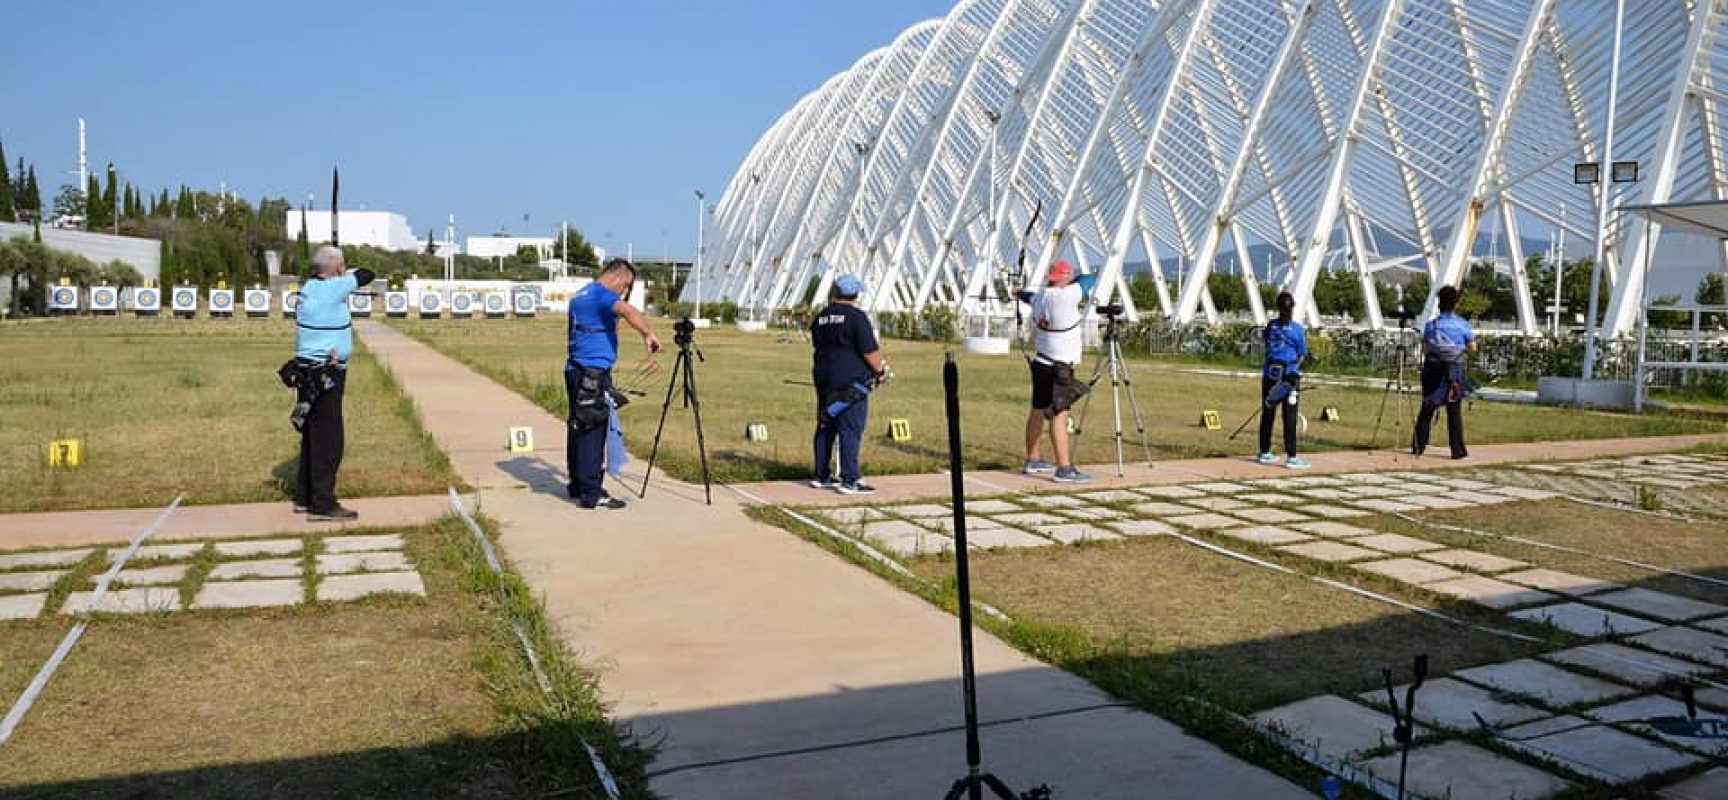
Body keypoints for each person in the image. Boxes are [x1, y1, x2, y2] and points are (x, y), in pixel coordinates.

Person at [567, 258, 661, 509]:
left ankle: (578, 484)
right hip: (593, 374)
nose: (625, 292)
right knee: (592, 432)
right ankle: (592, 492)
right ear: (617, 278)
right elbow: (628, 311)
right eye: (626, 286)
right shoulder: (601, 295)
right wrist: (648, 334)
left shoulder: (581, 294)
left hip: (576, 370)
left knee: (578, 426)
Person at [292, 245, 374, 521]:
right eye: (341, 265)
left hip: (305, 370)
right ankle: (323, 504)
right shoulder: (333, 288)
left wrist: (337, 272)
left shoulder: (309, 288)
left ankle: (305, 496)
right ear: (337, 268)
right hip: (326, 372)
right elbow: (367, 273)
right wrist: (345, 273)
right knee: (329, 440)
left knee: (312, 435)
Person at [1016, 260, 1097, 484]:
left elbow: (1027, 296)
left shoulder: (1041, 297)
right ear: (1063, 278)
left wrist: (1019, 292)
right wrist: (1072, 278)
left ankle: (1033, 460)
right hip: (1060, 367)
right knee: (1060, 416)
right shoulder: (1067, 295)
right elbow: (1090, 279)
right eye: (1067, 275)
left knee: (1038, 410)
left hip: (1041, 363)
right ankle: (1064, 468)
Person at [810, 274, 889, 495]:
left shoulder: (821, 317)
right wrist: (880, 371)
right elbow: (869, 351)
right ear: (855, 294)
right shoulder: (856, 318)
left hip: (824, 379)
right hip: (851, 383)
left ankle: (821, 475)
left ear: (835, 292)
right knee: (850, 429)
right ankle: (850, 479)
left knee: (826, 423)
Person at [1413, 285, 1476, 459]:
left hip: (1433, 369)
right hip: (1454, 370)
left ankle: (1419, 445)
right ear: (1456, 304)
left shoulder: (1431, 325)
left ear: (1439, 304)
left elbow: (1425, 349)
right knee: (1454, 410)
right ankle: (1457, 450)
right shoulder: (1462, 325)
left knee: (1427, 407)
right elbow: (1472, 347)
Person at [1256, 292, 1310, 469]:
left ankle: (1264, 451)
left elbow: (1265, 340)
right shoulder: (1297, 330)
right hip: (1288, 377)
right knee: (1290, 415)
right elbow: (1302, 354)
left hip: (1270, 374)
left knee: (1268, 413)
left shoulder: (1272, 326)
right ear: (1291, 308)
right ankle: (1292, 456)